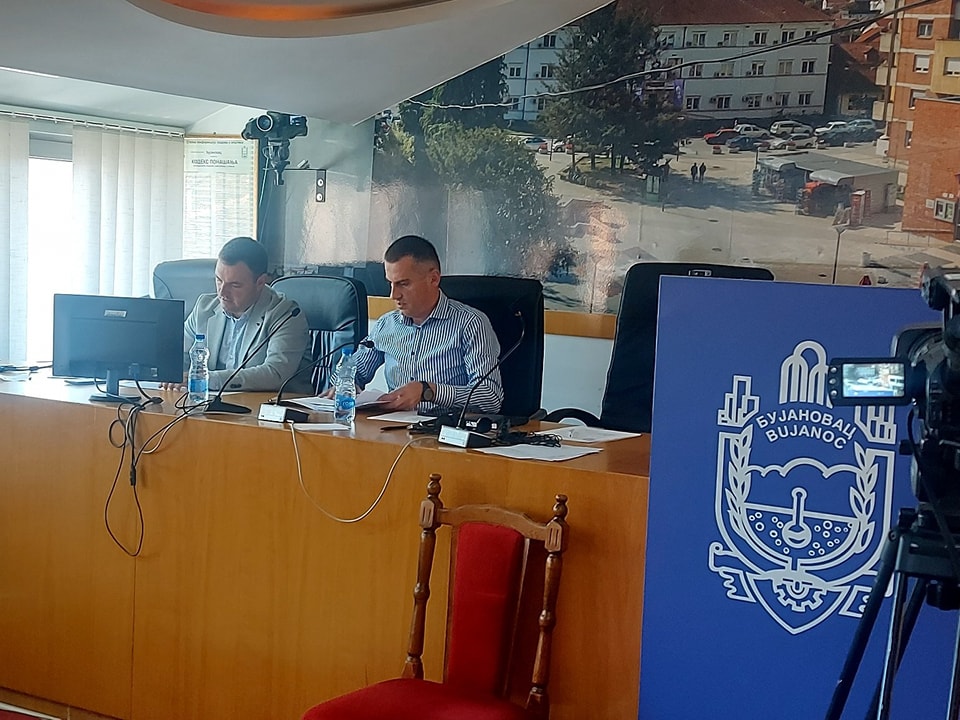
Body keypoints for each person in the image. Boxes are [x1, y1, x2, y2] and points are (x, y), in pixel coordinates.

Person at [345, 234, 504, 414]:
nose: (394, 295)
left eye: (403, 284)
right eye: (391, 284)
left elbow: (490, 397)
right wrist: (344, 385)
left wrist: (428, 391)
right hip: (392, 425)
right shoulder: (386, 324)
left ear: (433, 279)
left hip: (444, 427)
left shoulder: (470, 324)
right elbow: (352, 373)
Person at [166, 236, 313, 393]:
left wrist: (206, 379)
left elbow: (274, 373)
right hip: (209, 404)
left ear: (260, 282)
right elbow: (177, 354)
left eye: (234, 285)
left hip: (268, 405)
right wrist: (172, 374)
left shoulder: (286, 315)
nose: (222, 292)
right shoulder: (205, 307)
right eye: (219, 280)